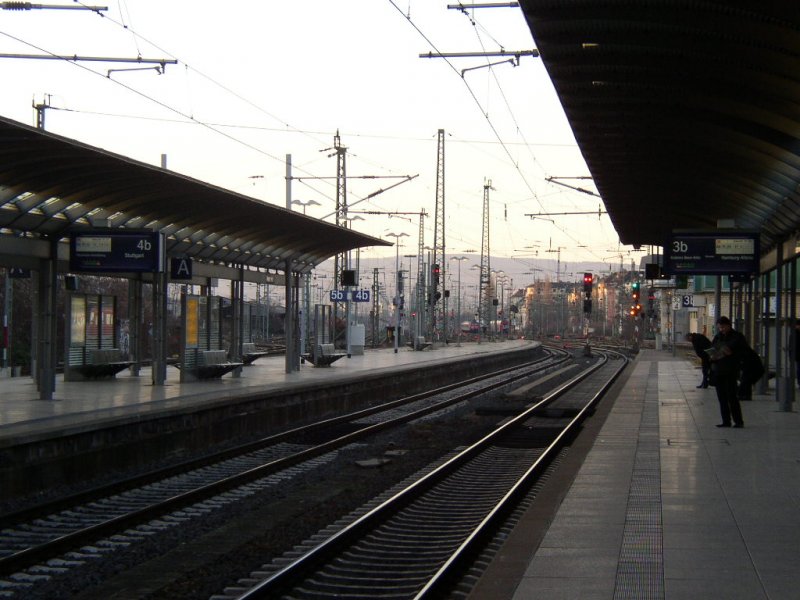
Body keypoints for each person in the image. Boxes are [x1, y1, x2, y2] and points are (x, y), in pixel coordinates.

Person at [708, 316, 746, 428]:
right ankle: (726, 421)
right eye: (719, 327)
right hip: (719, 370)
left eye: (723, 327)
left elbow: (743, 352)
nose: (721, 329)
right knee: (721, 397)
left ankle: (738, 421)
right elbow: (712, 349)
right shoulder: (718, 337)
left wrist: (732, 354)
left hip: (731, 370)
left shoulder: (737, 337)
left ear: (729, 325)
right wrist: (712, 356)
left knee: (732, 397)